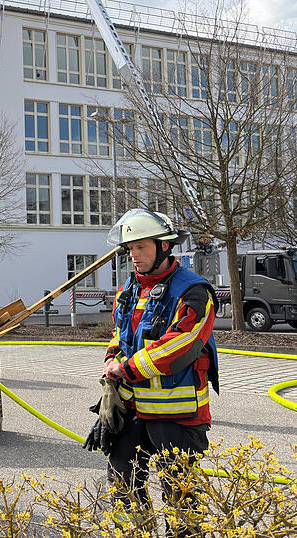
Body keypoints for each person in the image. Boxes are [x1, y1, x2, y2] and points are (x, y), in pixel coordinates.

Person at [87, 209, 219, 534]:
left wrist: (126, 369)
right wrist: (111, 358)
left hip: (178, 417)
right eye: (130, 248)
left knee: (181, 497)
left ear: (164, 247)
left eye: (141, 247)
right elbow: (120, 334)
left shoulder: (194, 293)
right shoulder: (131, 289)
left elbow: (180, 346)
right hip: (133, 412)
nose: (133, 255)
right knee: (123, 484)